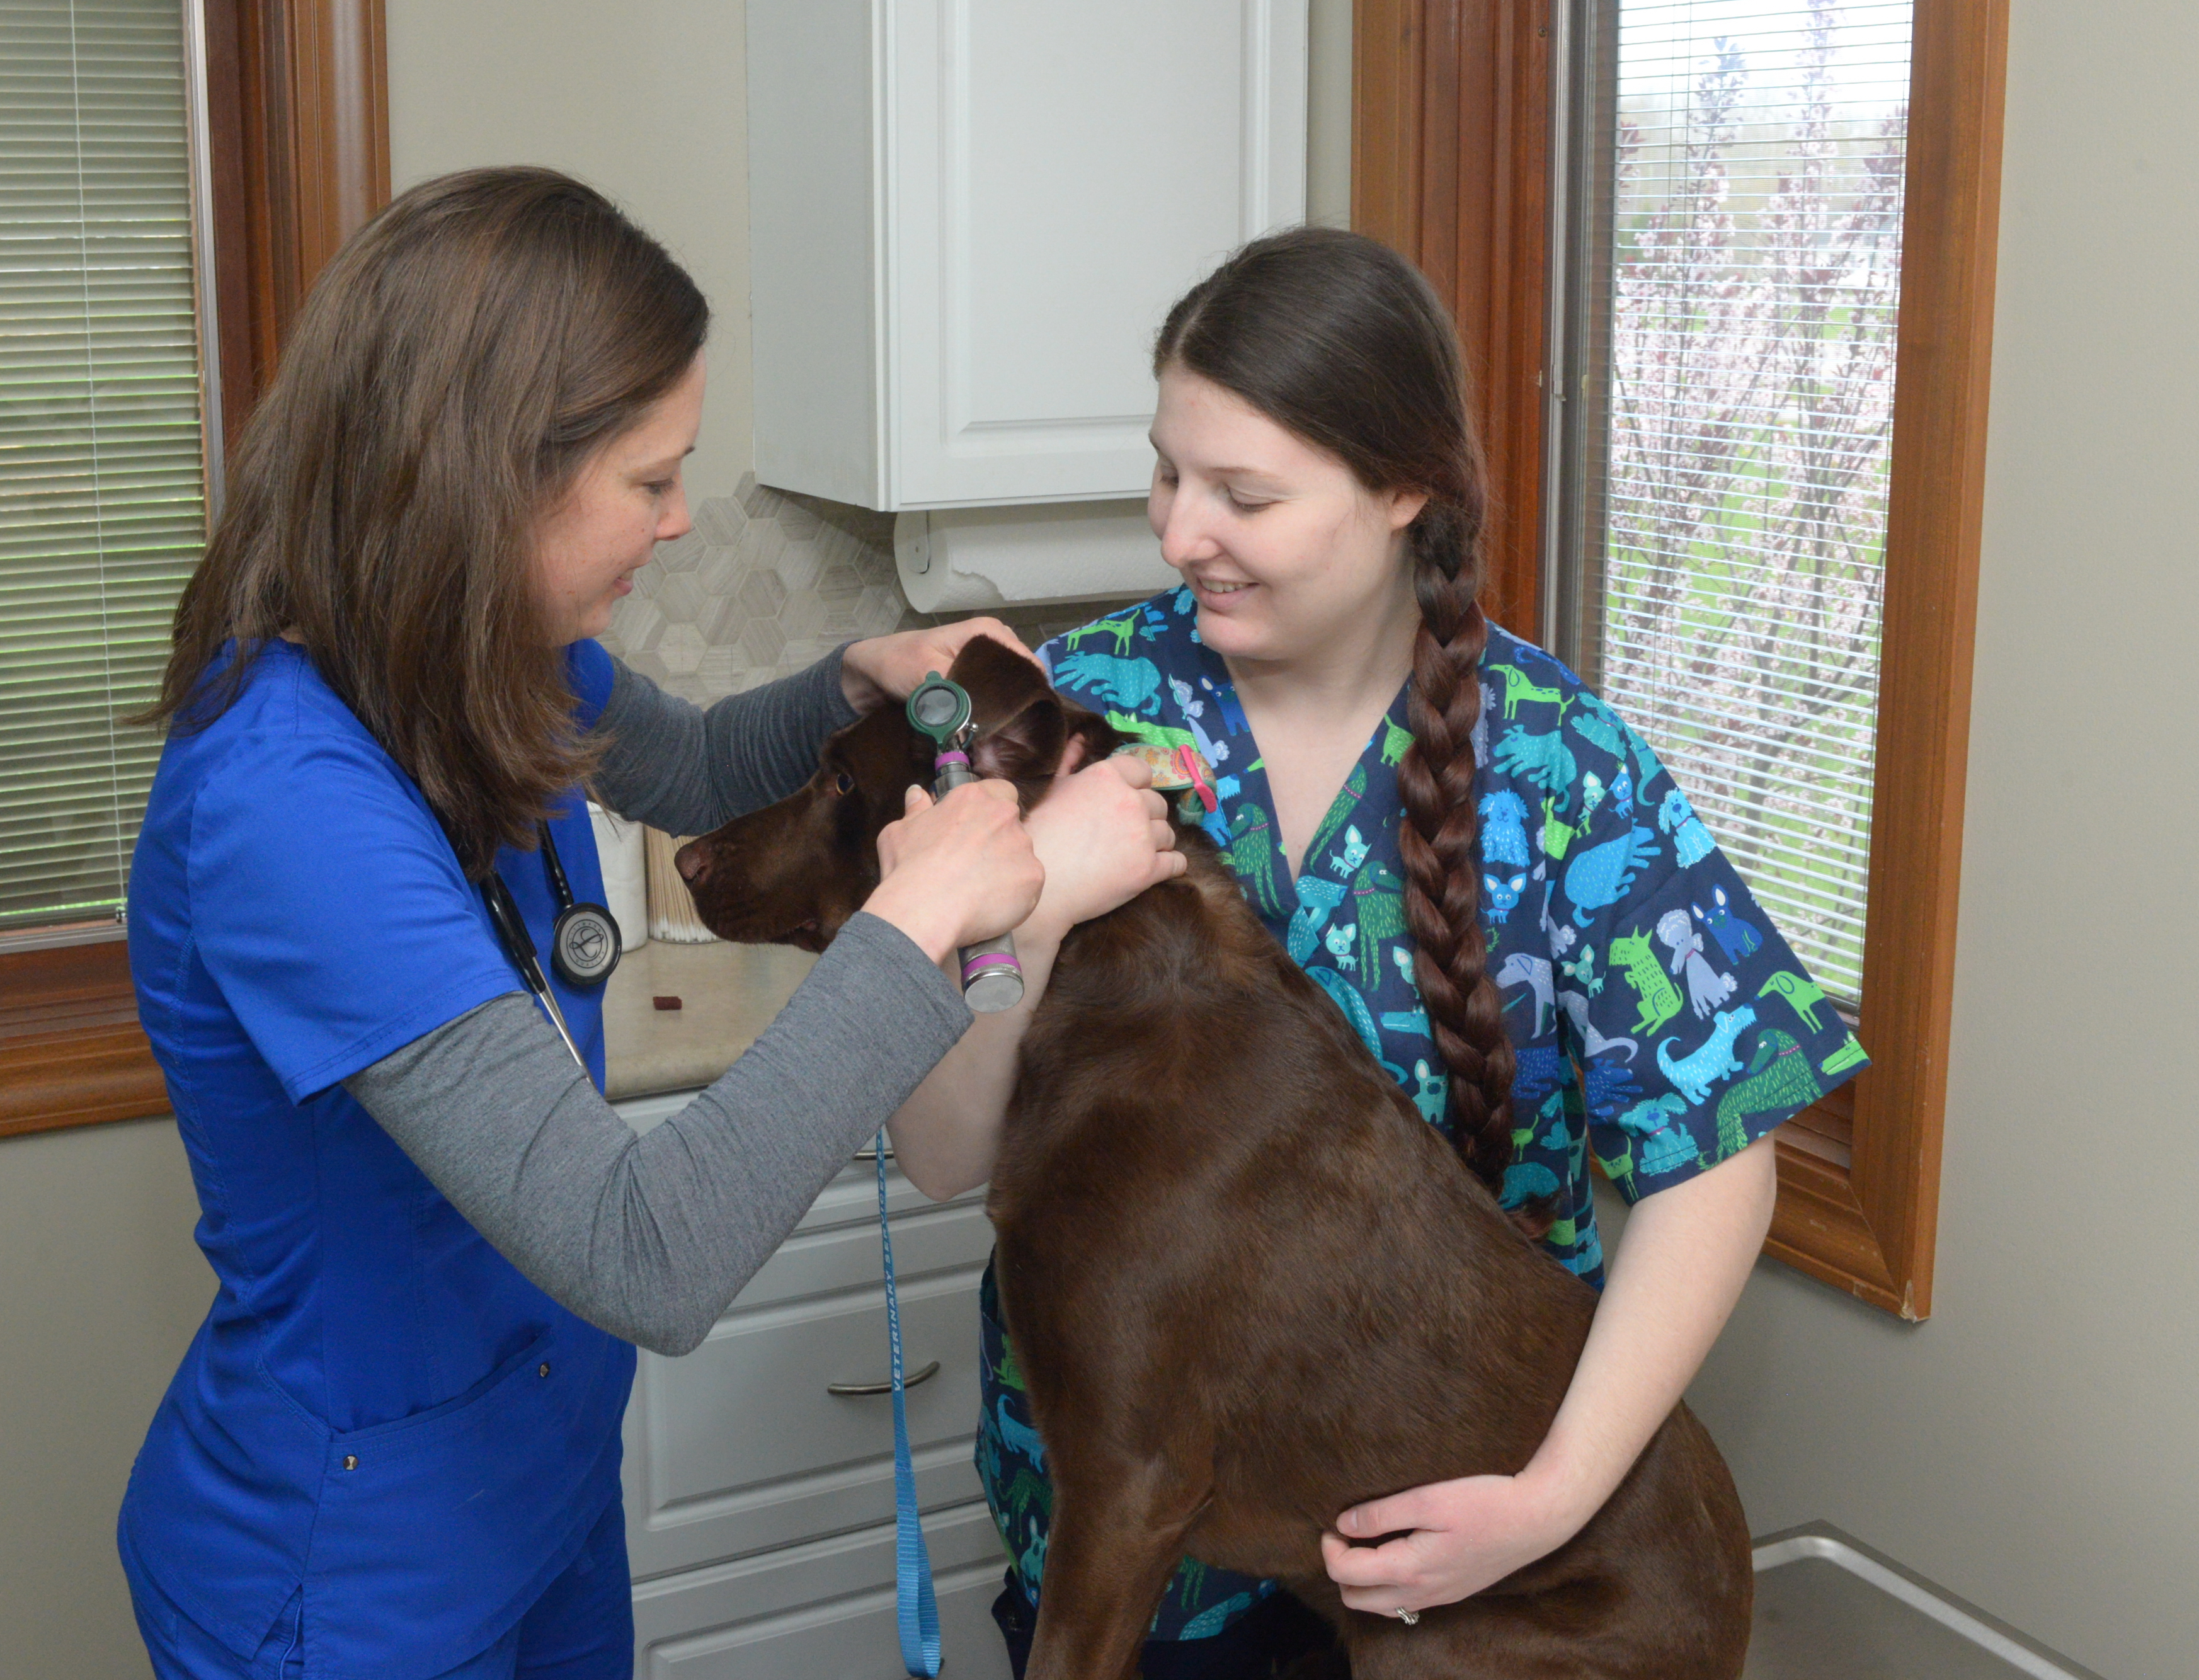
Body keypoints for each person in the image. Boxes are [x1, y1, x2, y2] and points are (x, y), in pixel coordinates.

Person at [113, 167, 1183, 1680]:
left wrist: (857, 675)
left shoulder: (478, 650)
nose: (682, 520)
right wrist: (925, 908)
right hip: (356, 1579)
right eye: (650, 477)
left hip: (538, 1506)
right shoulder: (285, 806)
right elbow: (643, 1255)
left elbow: (685, 768)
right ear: (488, 476)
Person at [884, 227, 1868, 1676]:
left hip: (1467, 1558)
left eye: (1244, 493)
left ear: (1404, 488)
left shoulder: (1558, 764)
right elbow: (941, 1152)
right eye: (1167, 470)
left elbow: (1718, 1157)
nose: (1176, 531)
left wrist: (1551, 1495)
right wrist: (1025, 915)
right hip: (1119, 1561)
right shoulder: (1069, 712)